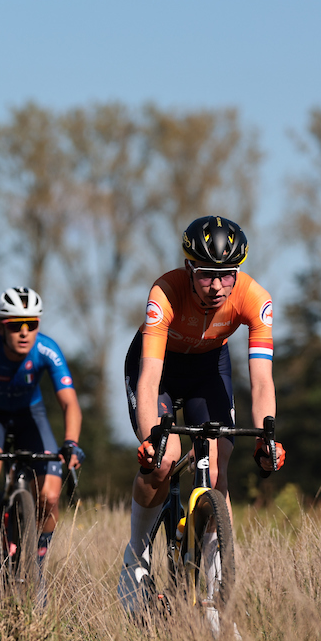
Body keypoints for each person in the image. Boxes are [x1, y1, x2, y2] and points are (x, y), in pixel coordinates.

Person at [119, 216, 286, 615]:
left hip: (209, 369)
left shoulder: (255, 298)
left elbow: (261, 381)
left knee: (216, 468)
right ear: (189, 269)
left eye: (226, 276)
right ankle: (135, 557)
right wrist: (150, 440)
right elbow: (149, 380)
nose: (216, 287)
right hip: (159, 368)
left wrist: (268, 435)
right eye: (207, 275)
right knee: (164, 461)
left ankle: (215, 602)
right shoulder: (165, 291)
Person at [0, 287, 84, 575]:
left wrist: (71, 443)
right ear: (1, 327)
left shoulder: (46, 349)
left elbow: (70, 403)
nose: (25, 332)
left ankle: (37, 561)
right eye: (16, 326)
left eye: (33, 324)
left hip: (30, 414)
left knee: (51, 496)